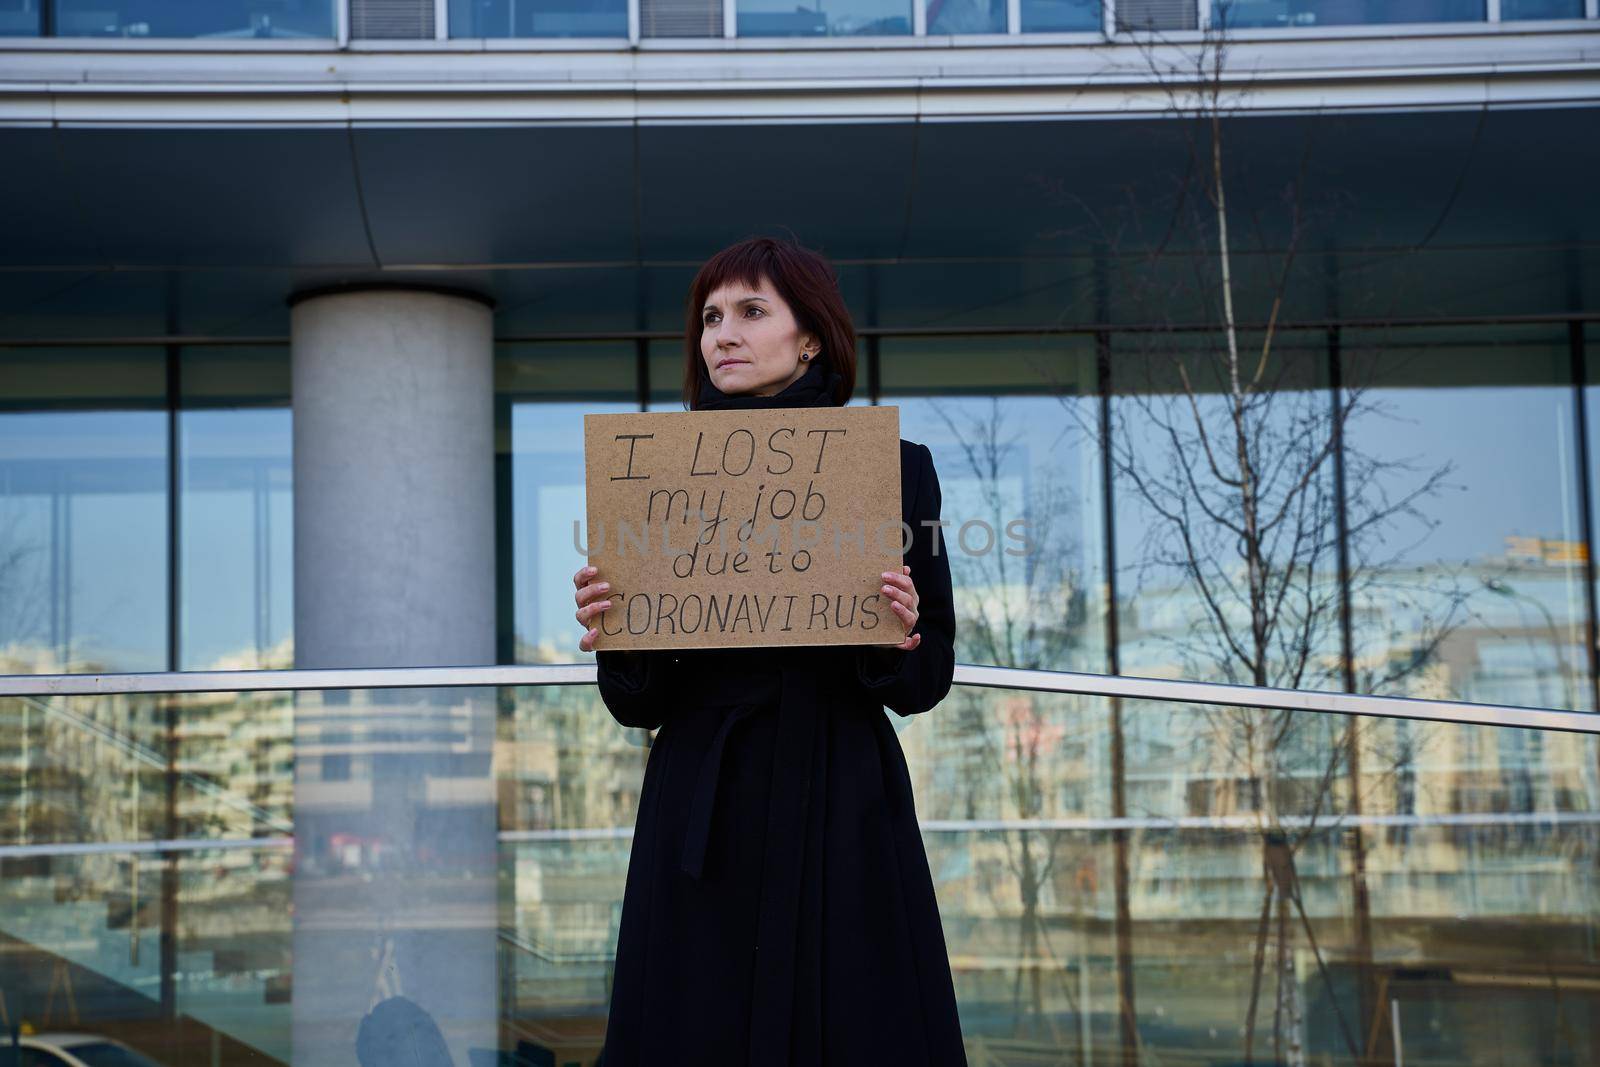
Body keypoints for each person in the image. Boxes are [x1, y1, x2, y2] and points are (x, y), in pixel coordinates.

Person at [574, 236, 967, 1065]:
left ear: (812, 335)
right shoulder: (652, 474)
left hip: (839, 798)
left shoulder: (895, 471)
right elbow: (635, 704)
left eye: (752, 312)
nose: (722, 333)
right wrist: (616, 632)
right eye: (712, 316)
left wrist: (894, 631)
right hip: (701, 809)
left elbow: (928, 678)